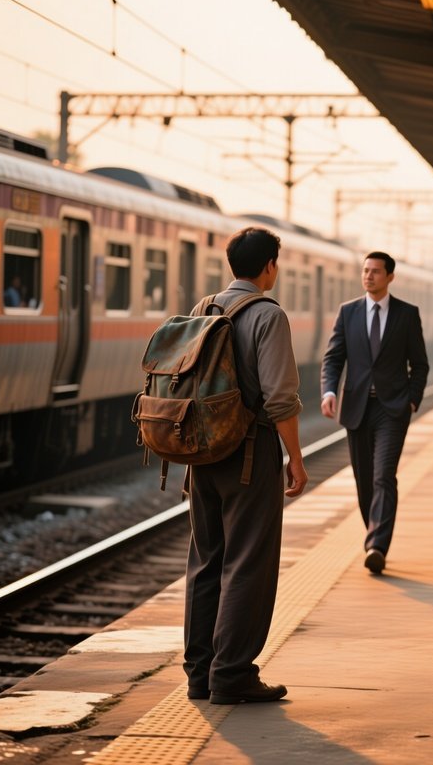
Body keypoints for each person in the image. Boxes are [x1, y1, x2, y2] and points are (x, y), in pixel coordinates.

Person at [183, 227, 308, 705]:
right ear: (269, 266)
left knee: (206, 559)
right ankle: (232, 674)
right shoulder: (267, 315)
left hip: (200, 452)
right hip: (248, 456)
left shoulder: (203, 307)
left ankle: (199, 674)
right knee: (247, 563)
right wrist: (295, 459)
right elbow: (280, 399)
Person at [320, 251, 429, 574]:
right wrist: (328, 390)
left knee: (383, 475)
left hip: (392, 409)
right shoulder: (348, 312)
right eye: (365, 271)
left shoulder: (407, 314)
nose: (368, 276)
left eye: (376, 272)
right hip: (356, 407)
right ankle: (374, 529)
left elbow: (419, 364)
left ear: (390, 277)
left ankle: (377, 545)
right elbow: (333, 357)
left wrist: (412, 400)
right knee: (364, 480)